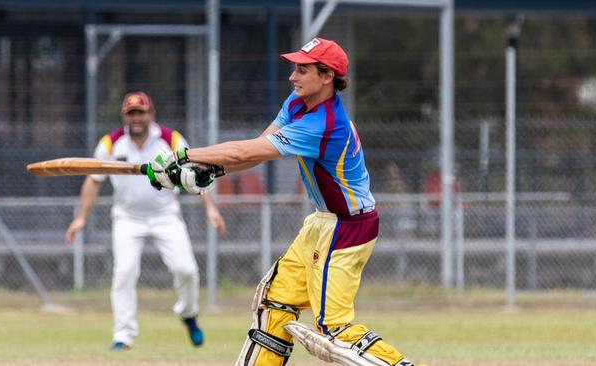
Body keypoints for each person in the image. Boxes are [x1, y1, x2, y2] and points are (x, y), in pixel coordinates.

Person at [146, 38, 414, 366]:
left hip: (347, 228)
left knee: (333, 330)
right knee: (276, 301)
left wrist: (183, 156)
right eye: (294, 67)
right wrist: (209, 169)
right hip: (323, 221)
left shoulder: (323, 124)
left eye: (303, 69)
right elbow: (260, 147)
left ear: (327, 76)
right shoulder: (299, 103)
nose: (293, 76)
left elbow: (247, 151)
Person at [65, 91, 226, 350]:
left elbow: (196, 173)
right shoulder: (110, 144)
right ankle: (123, 335)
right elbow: (93, 182)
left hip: (166, 215)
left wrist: (211, 209)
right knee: (124, 272)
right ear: (124, 117)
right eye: (131, 113)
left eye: (141, 112)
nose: (136, 118)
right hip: (127, 218)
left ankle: (188, 314)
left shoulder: (171, 139)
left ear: (151, 114)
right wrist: (81, 218)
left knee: (186, 270)